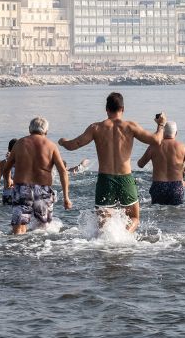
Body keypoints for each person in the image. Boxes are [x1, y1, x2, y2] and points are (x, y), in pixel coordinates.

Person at [59, 91, 165, 235]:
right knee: (134, 218)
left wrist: (63, 142)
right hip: (125, 178)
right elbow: (157, 140)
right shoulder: (130, 126)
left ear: (106, 109)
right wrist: (161, 125)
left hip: (105, 180)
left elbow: (73, 145)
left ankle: (107, 245)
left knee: (103, 224)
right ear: (123, 109)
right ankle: (123, 239)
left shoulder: (96, 128)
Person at [0, 117, 72, 234]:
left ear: (29, 129)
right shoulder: (51, 146)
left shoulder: (20, 143)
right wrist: (66, 197)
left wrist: (8, 179)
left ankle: (19, 250)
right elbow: (63, 171)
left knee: (18, 228)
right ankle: (41, 250)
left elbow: (7, 167)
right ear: (46, 131)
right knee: (43, 229)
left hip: (22, 189)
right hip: (43, 190)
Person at [137, 121, 185, 205]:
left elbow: (140, 164)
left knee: (157, 214)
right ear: (176, 133)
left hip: (158, 186)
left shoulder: (153, 146)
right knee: (176, 213)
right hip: (176, 187)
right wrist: (183, 169)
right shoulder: (182, 147)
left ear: (163, 132)